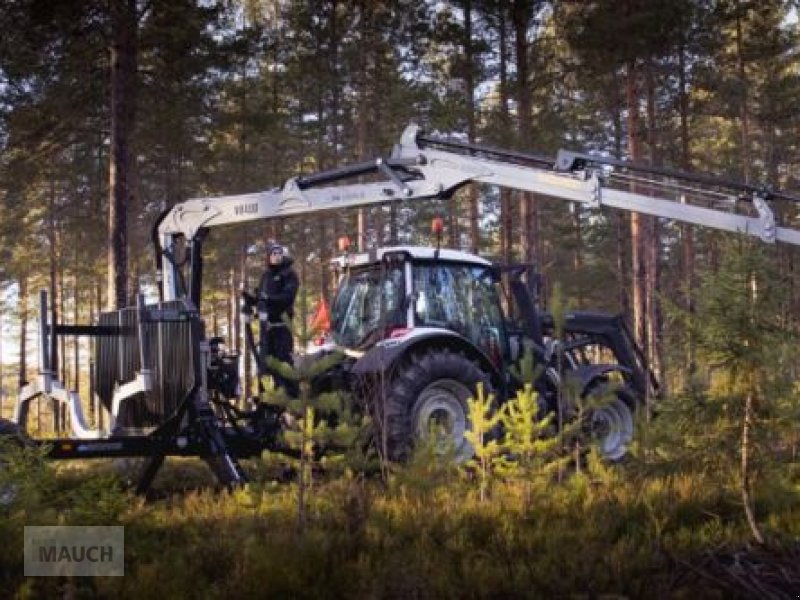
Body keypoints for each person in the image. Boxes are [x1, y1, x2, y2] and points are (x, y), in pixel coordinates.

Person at [256, 241, 299, 396]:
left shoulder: (289, 275)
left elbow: (287, 297)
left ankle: (292, 400)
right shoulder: (266, 276)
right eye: (273, 254)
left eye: (278, 253)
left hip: (281, 327)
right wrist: (253, 301)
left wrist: (269, 299)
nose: (275, 256)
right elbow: (260, 296)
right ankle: (267, 401)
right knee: (265, 366)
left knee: (284, 363)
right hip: (266, 329)